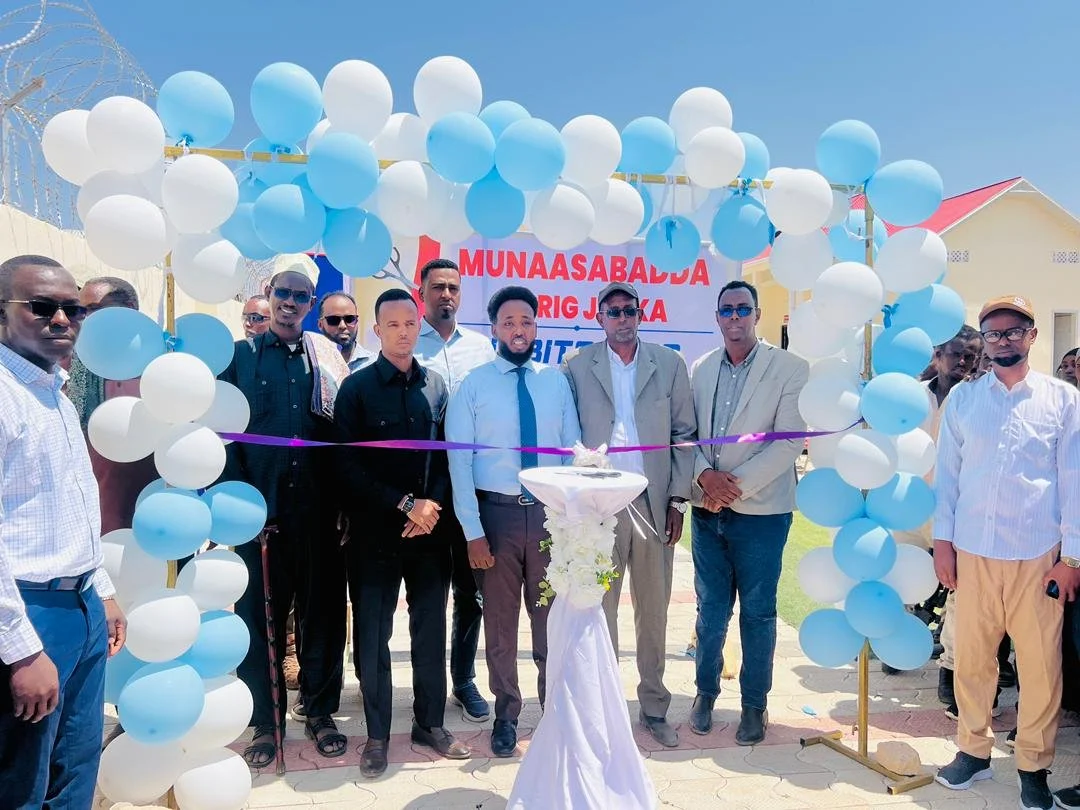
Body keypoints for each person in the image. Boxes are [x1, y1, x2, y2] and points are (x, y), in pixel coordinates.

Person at [932, 295, 1079, 810]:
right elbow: (947, 479)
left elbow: (1074, 481)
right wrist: (943, 544)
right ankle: (972, 750)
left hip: (1039, 557)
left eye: (1013, 331)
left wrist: (1072, 558)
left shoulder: (1063, 400)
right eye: (993, 333)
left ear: (1032, 335)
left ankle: (1033, 767)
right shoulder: (965, 402)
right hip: (972, 553)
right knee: (972, 660)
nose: (1003, 340)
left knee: (1040, 668)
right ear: (984, 341)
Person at [0, 255, 127, 808]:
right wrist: (22, 651)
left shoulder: (54, 392)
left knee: (76, 767)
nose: (61, 320)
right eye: (41, 307)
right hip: (29, 615)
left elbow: (74, 506)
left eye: (72, 309)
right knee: (23, 780)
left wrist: (99, 589)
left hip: (80, 607)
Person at [218, 260, 351, 767]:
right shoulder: (239, 359)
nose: (291, 302)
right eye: (284, 292)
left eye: (301, 295)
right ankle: (265, 724)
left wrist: (342, 506)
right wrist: (243, 506)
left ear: (311, 304)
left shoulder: (326, 361)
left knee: (322, 619)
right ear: (269, 293)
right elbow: (224, 438)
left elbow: (341, 439)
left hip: (318, 516)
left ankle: (318, 713)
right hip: (259, 518)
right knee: (259, 621)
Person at [335, 287, 470, 777]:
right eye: (392, 324)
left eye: (410, 323)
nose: (403, 331)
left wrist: (429, 505)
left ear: (420, 327)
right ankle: (376, 734)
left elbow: (443, 454)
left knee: (430, 628)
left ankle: (429, 724)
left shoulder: (436, 386)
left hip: (430, 533)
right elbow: (346, 464)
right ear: (377, 330)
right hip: (374, 534)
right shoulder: (356, 389)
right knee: (373, 634)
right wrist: (404, 504)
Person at [446, 285, 581, 758]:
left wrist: (569, 519)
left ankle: (553, 714)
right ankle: (506, 715)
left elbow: (571, 451)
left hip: (548, 519)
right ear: (495, 329)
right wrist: (472, 531)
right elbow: (459, 463)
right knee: (500, 625)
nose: (518, 329)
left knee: (551, 621)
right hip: (496, 520)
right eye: (508, 322)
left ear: (536, 326)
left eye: (526, 320)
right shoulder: (474, 385)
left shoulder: (555, 381)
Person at [561, 280, 695, 747]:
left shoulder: (669, 364)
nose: (621, 318)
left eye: (629, 310)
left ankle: (654, 707)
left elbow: (686, 435)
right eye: (612, 311)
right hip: (599, 509)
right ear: (599, 318)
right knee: (600, 609)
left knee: (654, 611)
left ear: (641, 315)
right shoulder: (577, 366)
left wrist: (678, 499)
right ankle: (603, 707)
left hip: (652, 502)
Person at [686, 280, 809, 746]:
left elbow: (789, 440)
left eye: (742, 308)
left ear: (756, 314)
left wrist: (731, 490)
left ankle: (754, 705)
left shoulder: (790, 368)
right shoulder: (699, 369)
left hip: (761, 514)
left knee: (757, 614)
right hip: (706, 511)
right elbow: (686, 434)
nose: (734, 317)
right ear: (717, 317)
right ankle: (704, 694)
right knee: (710, 612)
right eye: (726, 310)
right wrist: (703, 479)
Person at [414, 258, 496, 724]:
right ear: (421, 291)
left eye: (453, 288)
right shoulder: (405, 341)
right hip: (424, 490)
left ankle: (463, 680)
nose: (446, 295)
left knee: (471, 591)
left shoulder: (482, 349)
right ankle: (428, 687)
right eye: (438, 287)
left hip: (475, 488)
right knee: (428, 593)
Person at [317, 291, 374, 372]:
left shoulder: (375, 365)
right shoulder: (311, 365)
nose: (342, 326)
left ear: (357, 321)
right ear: (320, 324)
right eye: (334, 320)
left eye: (350, 319)